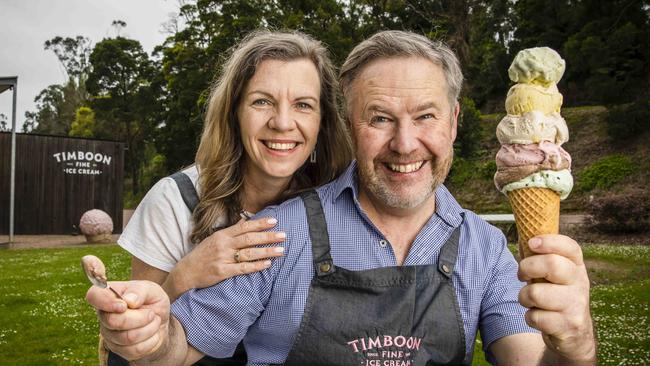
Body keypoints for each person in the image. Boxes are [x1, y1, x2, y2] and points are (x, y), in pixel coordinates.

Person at [87, 30, 597, 365]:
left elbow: (530, 359)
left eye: (425, 115)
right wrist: (150, 336)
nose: (404, 144)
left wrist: (574, 346)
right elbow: (180, 344)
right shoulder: (276, 231)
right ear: (350, 127)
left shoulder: (485, 250)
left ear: (455, 121)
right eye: (379, 118)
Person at [102, 30, 352, 365]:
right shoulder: (174, 200)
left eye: (303, 105)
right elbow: (136, 342)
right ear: (234, 113)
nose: (281, 122)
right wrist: (185, 275)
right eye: (261, 101)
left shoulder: (336, 201)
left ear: (323, 122)